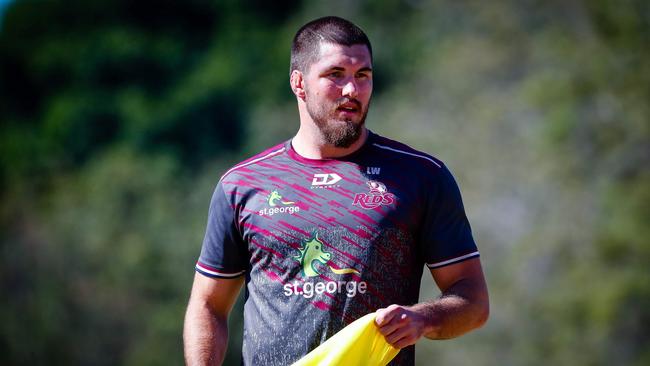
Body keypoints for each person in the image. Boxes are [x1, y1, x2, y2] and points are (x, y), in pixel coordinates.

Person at [183, 16, 489, 366]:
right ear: (299, 83)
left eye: (363, 76)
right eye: (336, 75)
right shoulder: (243, 184)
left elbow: (474, 300)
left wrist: (423, 319)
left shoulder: (421, 176)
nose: (351, 91)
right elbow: (207, 305)